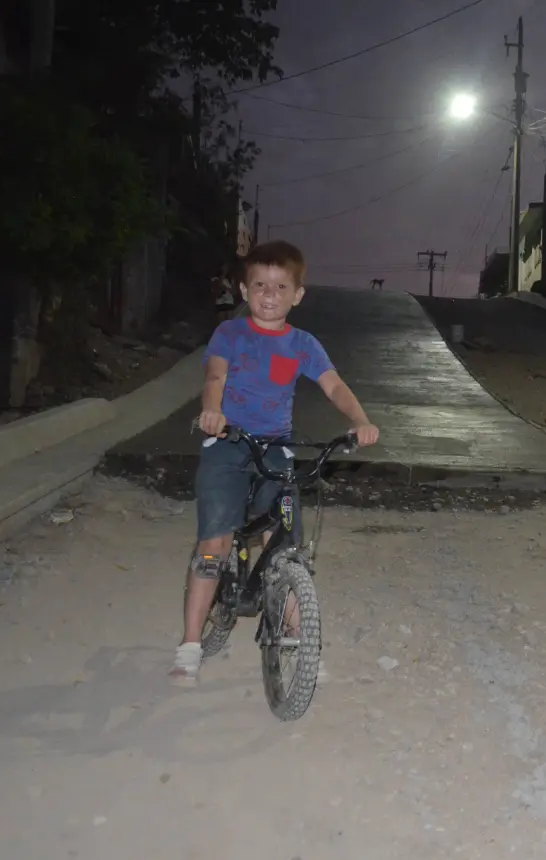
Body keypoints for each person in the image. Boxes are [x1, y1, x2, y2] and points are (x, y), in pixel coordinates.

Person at [170, 240, 381, 686]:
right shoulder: (231, 334)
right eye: (260, 285)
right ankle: (190, 643)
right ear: (245, 291)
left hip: (275, 447)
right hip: (227, 442)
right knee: (215, 545)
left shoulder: (303, 344)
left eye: (280, 286)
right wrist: (213, 411)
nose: (269, 294)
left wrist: (359, 420)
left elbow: (334, 385)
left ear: (297, 295)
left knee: (285, 544)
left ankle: (297, 639)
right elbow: (215, 376)